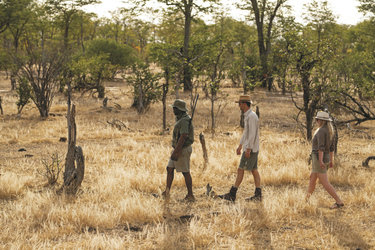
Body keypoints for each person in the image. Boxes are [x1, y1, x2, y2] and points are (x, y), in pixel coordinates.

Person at [218, 95, 261, 202]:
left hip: (250, 148)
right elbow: (246, 132)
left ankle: (232, 193)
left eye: (240, 103)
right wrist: (240, 145)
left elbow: (251, 134)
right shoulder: (249, 115)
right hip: (251, 147)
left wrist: (248, 149)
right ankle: (258, 194)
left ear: (245, 104)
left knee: (240, 169)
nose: (239, 105)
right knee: (254, 170)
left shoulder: (251, 116)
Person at [306, 111, 344, 209]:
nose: (316, 121)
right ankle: (306, 200)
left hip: (319, 158)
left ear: (321, 120)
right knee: (312, 178)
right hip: (324, 158)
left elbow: (321, 148)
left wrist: (320, 161)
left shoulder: (322, 131)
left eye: (317, 119)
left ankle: (339, 202)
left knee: (325, 183)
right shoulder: (330, 131)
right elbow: (332, 148)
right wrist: (330, 161)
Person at [162, 99, 195, 202]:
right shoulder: (181, 118)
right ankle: (166, 192)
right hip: (178, 148)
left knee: (185, 172)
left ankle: (190, 195)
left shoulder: (185, 120)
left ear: (179, 109)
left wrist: (177, 151)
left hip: (183, 149)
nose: (173, 109)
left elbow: (183, 136)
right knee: (170, 168)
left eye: (175, 108)